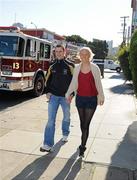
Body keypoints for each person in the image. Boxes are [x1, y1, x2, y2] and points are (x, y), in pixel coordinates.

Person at [65, 47, 104, 157]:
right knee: (82, 124)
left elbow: (98, 84)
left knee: (86, 124)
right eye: (81, 54)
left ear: (90, 55)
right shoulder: (77, 68)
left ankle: (82, 146)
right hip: (80, 99)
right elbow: (73, 83)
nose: (84, 56)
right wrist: (68, 93)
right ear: (79, 56)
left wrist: (101, 96)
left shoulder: (95, 68)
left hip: (91, 100)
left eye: (86, 54)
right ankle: (83, 141)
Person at [40, 44, 75, 152]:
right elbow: (47, 80)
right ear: (54, 53)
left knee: (66, 117)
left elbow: (75, 81)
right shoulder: (52, 65)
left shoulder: (70, 65)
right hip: (54, 97)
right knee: (51, 120)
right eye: (56, 51)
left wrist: (72, 94)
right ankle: (48, 144)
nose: (58, 53)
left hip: (66, 97)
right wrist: (47, 91)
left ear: (64, 52)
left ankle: (65, 133)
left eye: (60, 51)